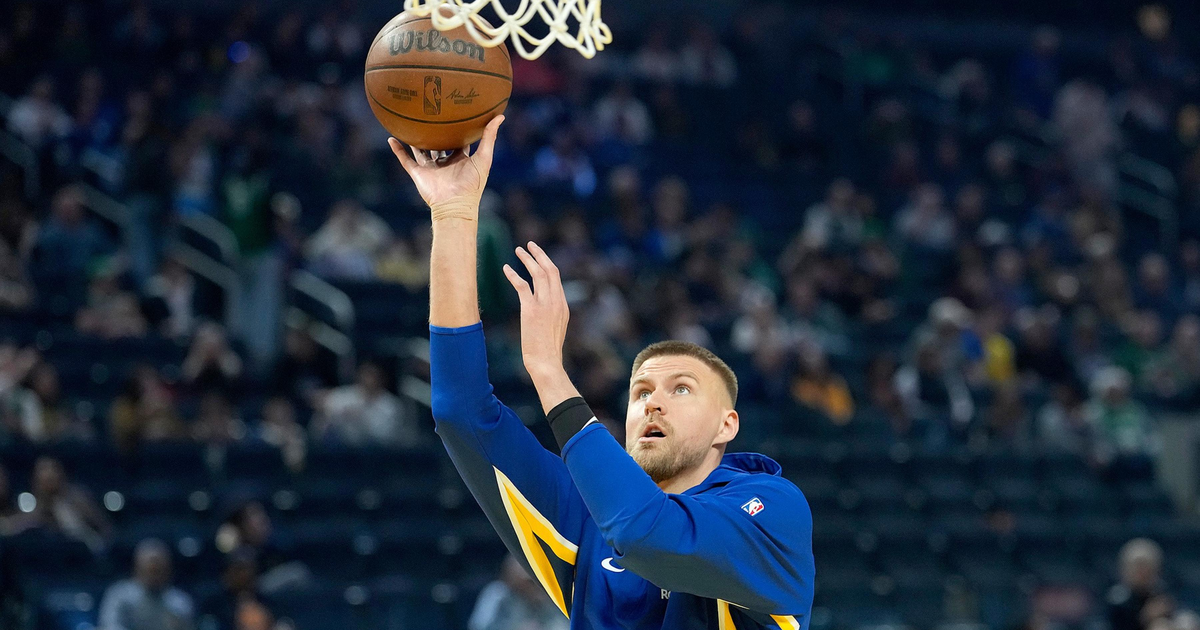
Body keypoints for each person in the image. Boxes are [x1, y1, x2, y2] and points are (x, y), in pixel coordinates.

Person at [389, 117, 813, 630]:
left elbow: (647, 537)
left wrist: (549, 371)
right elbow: (460, 411)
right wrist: (453, 215)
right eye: (640, 393)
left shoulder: (771, 506)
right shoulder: (587, 513)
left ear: (728, 424)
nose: (653, 403)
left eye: (681, 388)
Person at [98, 538, 195, 630]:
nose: (154, 576)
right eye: (150, 570)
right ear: (137, 568)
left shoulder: (179, 602)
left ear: (168, 571)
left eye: (158, 570)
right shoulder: (119, 594)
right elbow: (109, 626)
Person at [470, 555, 570, 630]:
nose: (531, 586)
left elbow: (564, 625)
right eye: (528, 581)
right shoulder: (497, 594)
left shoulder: (549, 598)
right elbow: (479, 626)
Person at [1108, 539, 1173, 630]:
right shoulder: (1118, 599)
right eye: (1138, 567)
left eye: (1147, 568)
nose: (1143, 573)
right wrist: (1145, 617)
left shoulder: (1160, 592)